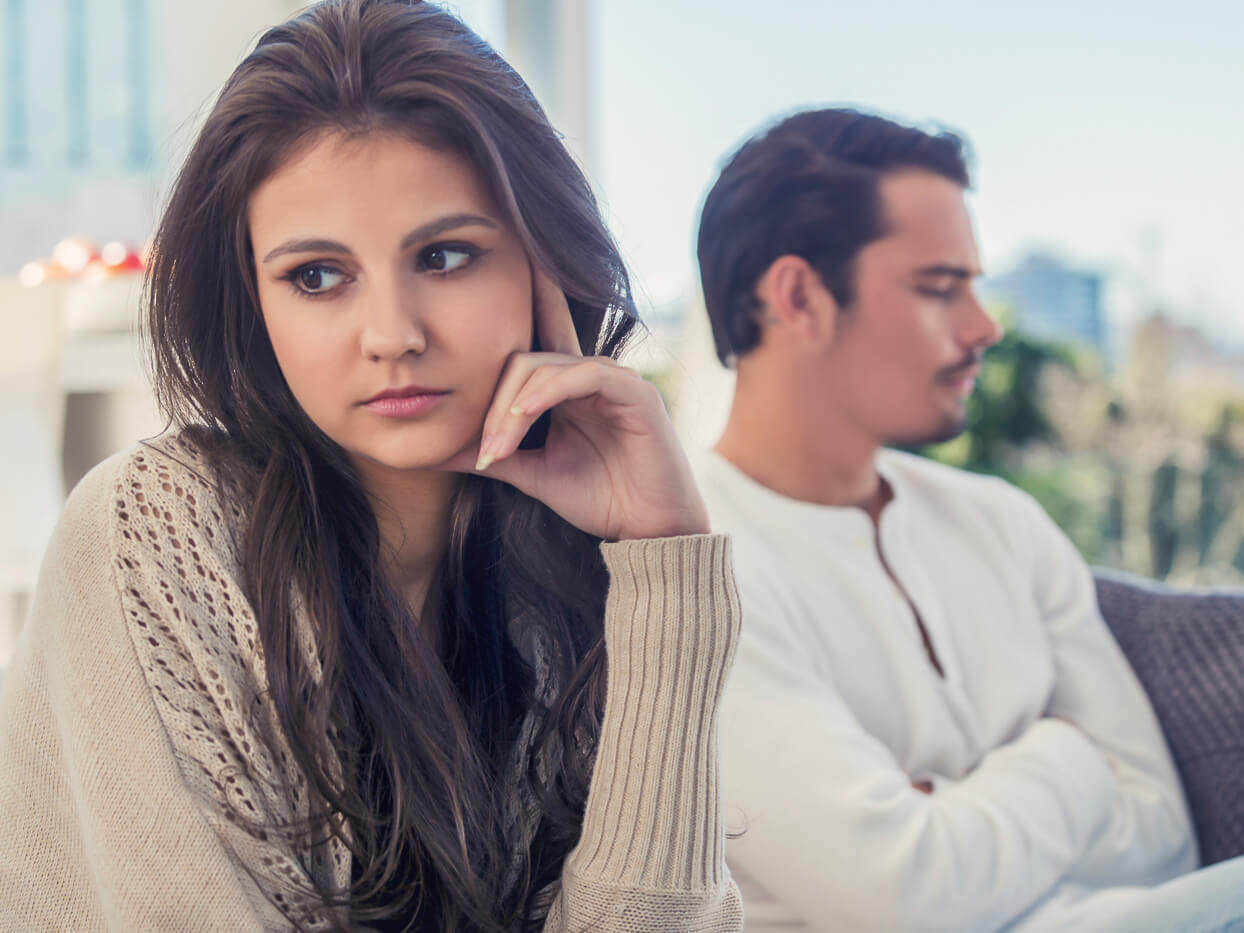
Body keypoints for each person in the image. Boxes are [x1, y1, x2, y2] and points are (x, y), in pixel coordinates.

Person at [0, 2, 744, 930]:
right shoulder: (154, 531)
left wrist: (664, 562)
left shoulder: (568, 569)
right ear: (252, 304)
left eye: (444, 255)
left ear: (543, 269)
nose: (393, 336)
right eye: (317, 275)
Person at [692, 107, 1244, 932]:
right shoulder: (690, 574)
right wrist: (1070, 759)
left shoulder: (1003, 523)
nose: (984, 326)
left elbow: (1163, 834)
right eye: (940, 287)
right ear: (799, 296)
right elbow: (902, 901)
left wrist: (948, 820)